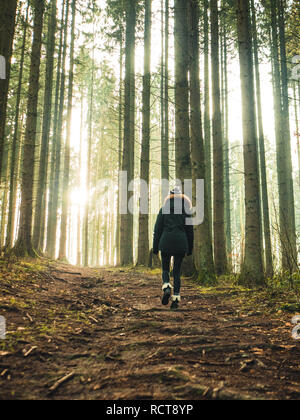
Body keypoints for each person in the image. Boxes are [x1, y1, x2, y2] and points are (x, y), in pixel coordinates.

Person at [153, 187, 194, 310]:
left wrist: (155, 248)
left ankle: (166, 287)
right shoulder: (186, 211)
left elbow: (157, 230)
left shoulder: (163, 210)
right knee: (176, 272)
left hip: (165, 242)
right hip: (180, 243)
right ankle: (175, 300)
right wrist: (189, 249)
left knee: (165, 269)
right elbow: (190, 232)